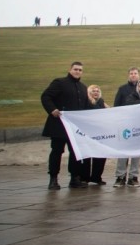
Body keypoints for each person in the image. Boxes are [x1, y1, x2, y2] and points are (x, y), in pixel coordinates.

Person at [40, 61, 89, 190]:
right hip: (59, 126)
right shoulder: (60, 83)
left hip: (74, 128)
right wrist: (52, 110)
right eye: (75, 69)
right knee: (57, 152)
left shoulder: (83, 88)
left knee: (75, 153)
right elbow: (46, 97)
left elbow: (86, 107)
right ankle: (53, 179)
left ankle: (74, 178)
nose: (78, 71)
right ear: (70, 69)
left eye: (80, 70)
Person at [112, 67, 140, 187]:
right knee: (123, 152)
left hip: (138, 125)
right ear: (128, 75)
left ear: (139, 75)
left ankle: (133, 177)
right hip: (124, 124)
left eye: (135, 73)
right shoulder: (122, 89)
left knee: (136, 153)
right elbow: (117, 105)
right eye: (131, 73)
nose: (133, 75)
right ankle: (120, 177)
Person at [80, 84, 108, 185]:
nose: (95, 92)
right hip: (87, 133)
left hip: (100, 133)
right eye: (93, 91)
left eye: (97, 91)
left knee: (100, 155)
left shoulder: (101, 101)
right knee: (87, 156)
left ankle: (96, 177)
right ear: (89, 92)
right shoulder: (86, 102)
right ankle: (84, 178)